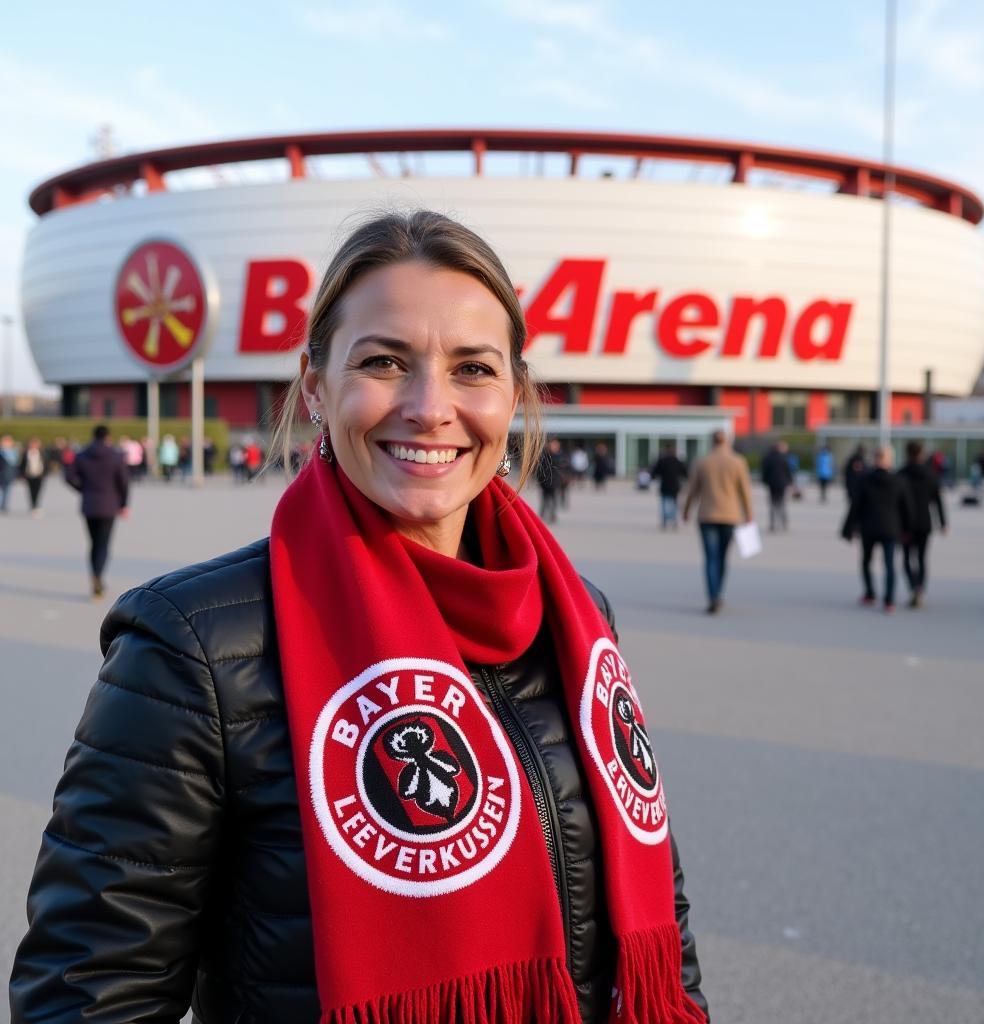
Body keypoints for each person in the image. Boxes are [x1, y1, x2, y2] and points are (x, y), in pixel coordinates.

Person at [11, 212, 708, 1024]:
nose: (429, 407)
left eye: (472, 369)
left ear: (514, 394)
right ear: (315, 387)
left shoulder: (580, 616)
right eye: (383, 361)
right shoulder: (193, 645)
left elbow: (664, 913)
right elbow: (89, 995)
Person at [682, 430, 754, 613]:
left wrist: (686, 509)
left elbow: (692, 489)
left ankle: (712, 596)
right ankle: (718, 593)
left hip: (706, 516)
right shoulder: (738, 461)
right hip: (730, 516)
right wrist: (749, 513)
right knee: (722, 557)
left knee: (710, 558)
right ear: (727, 442)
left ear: (712, 442)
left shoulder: (702, 461)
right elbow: (744, 490)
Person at [62, 423, 130, 599]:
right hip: (109, 504)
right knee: (104, 543)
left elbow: (69, 476)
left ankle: (94, 575)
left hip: (89, 504)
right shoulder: (115, 456)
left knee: (93, 543)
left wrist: (83, 488)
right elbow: (123, 482)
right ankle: (99, 576)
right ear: (107, 437)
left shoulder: (82, 455)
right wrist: (123, 504)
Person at [841, 446, 910, 613]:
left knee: (866, 561)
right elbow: (907, 508)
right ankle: (889, 600)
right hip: (891, 528)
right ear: (890, 460)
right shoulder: (899, 480)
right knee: (889, 565)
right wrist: (907, 529)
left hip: (869, 527)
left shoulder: (865, 480)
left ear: (874, 459)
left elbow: (855, 506)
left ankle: (870, 593)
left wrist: (848, 529)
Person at [899, 440, 947, 608]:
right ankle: (919, 589)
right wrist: (943, 522)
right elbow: (938, 500)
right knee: (921, 557)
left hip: (905, 523)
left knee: (906, 558)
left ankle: (913, 587)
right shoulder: (930, 474)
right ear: (921, 454)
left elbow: (895, 501)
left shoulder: (901, 474)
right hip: (924, 522)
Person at [650, 441, 688, 530]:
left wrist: (653, 478)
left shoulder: (661, 461)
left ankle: (664, 521)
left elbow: (654, 472)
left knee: (664, 504)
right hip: (674, 486)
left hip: (665, 486)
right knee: (674, 504)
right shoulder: (677, 461)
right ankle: (674, 521)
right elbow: (685, 473)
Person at [760, 440, 793, 532]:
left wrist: (765, 481)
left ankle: (773, 524)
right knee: (782, 503)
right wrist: (790, 482)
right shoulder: (784, 458)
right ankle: (784, 522)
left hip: (771, 484)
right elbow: (788, 472)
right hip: (782, 484)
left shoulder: (768, 458)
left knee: (772, 504)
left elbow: (764, 471)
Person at [535, 436, 565, 523]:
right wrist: (541, 481)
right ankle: (541, 516)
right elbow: (539, 469)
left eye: (556, 445)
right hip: (545, 482)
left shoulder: (560, 456)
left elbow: (561, 469)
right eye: (553, 445)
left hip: (555, 482)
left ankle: (553, 515)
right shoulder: (544, 456)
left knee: (554, 499)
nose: (554, 446)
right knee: (544, 500)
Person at [18, 436, 47, 517]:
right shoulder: (26, 453)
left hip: (39, 475)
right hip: (29, 475)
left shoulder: (42, 453)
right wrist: (21, 475)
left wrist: (44, 473)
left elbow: (46, 464)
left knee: (38, 490)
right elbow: (22, 465)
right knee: (31, 491)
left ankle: (36, 505)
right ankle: (33, 506)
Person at [0, 434, 19, 513]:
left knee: (7, 490)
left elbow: (15, 464)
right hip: (1, 473)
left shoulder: (14, 452)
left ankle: (4, 505)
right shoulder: (1, 452)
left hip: (9, 474)